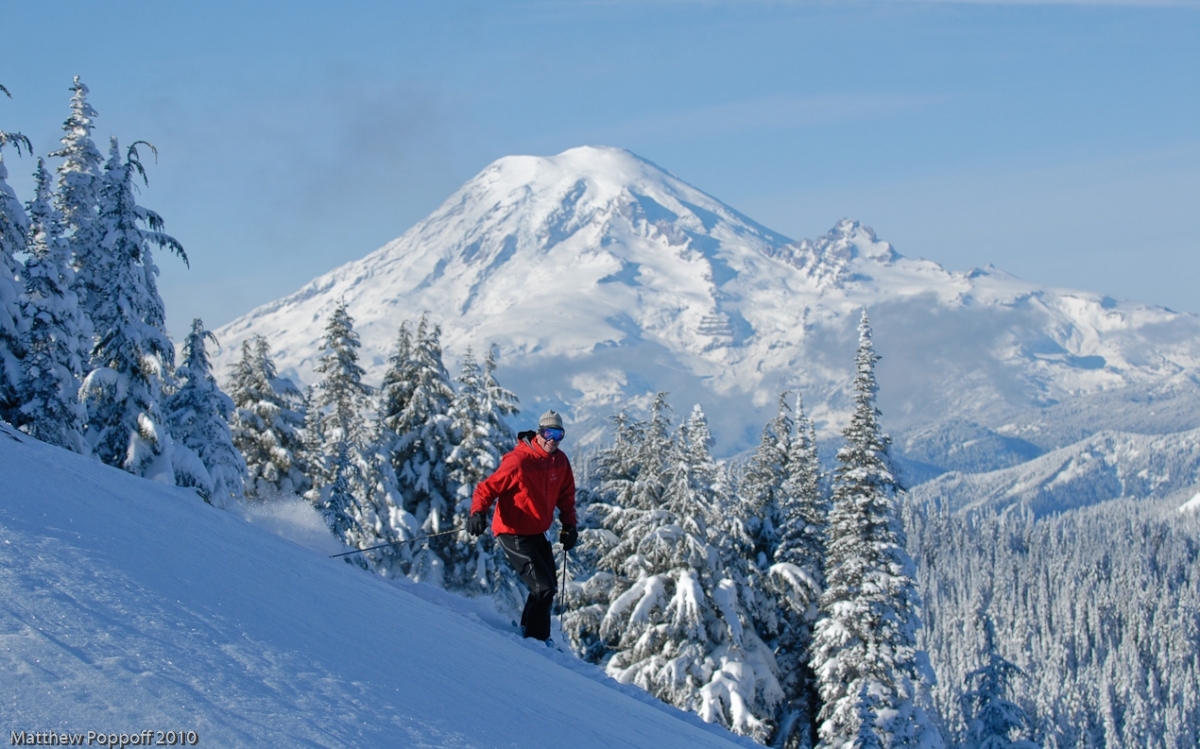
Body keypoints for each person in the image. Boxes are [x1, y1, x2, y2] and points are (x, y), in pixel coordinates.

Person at [467, 409, 578, 643]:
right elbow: (486, 489)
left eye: (558, 434)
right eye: (548, 432)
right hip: (513, 532)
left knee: (548, 587)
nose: (552, 440)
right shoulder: (519, 461)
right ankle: (538, 640)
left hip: (539, 531)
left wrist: (569, 526)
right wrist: (477, 513)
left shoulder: (560, 461)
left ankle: (529, 632)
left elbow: (566, 497)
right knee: (543, 587)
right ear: (538, 432)